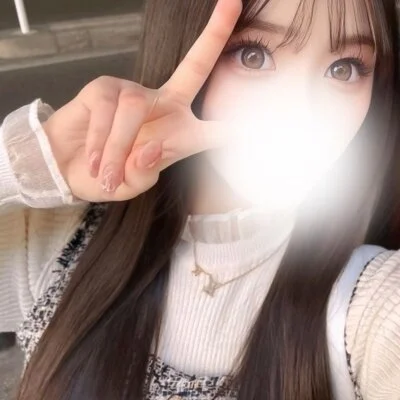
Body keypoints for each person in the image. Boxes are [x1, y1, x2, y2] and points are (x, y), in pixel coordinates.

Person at [0, 0, 399, 398]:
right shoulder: (58, 241)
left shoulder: (372, 305)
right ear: (179, 45)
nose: (304, 112)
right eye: (253, 55)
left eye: (344, 69)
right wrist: (30, 162)